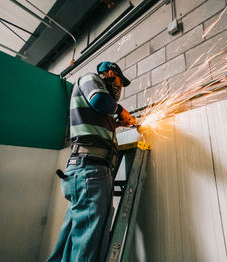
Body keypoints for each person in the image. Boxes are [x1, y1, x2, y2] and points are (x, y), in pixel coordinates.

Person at [47, 61, 137, 262]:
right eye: (120, 83)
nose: (119, 89)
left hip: (86, 172)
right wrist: (121, 111)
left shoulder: (100, 108)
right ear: (112, 74)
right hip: (91, 172)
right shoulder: (90, 79)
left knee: (72, 239)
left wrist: (116, 123)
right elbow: (100, 101)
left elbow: (96, 123)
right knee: (89, 242)